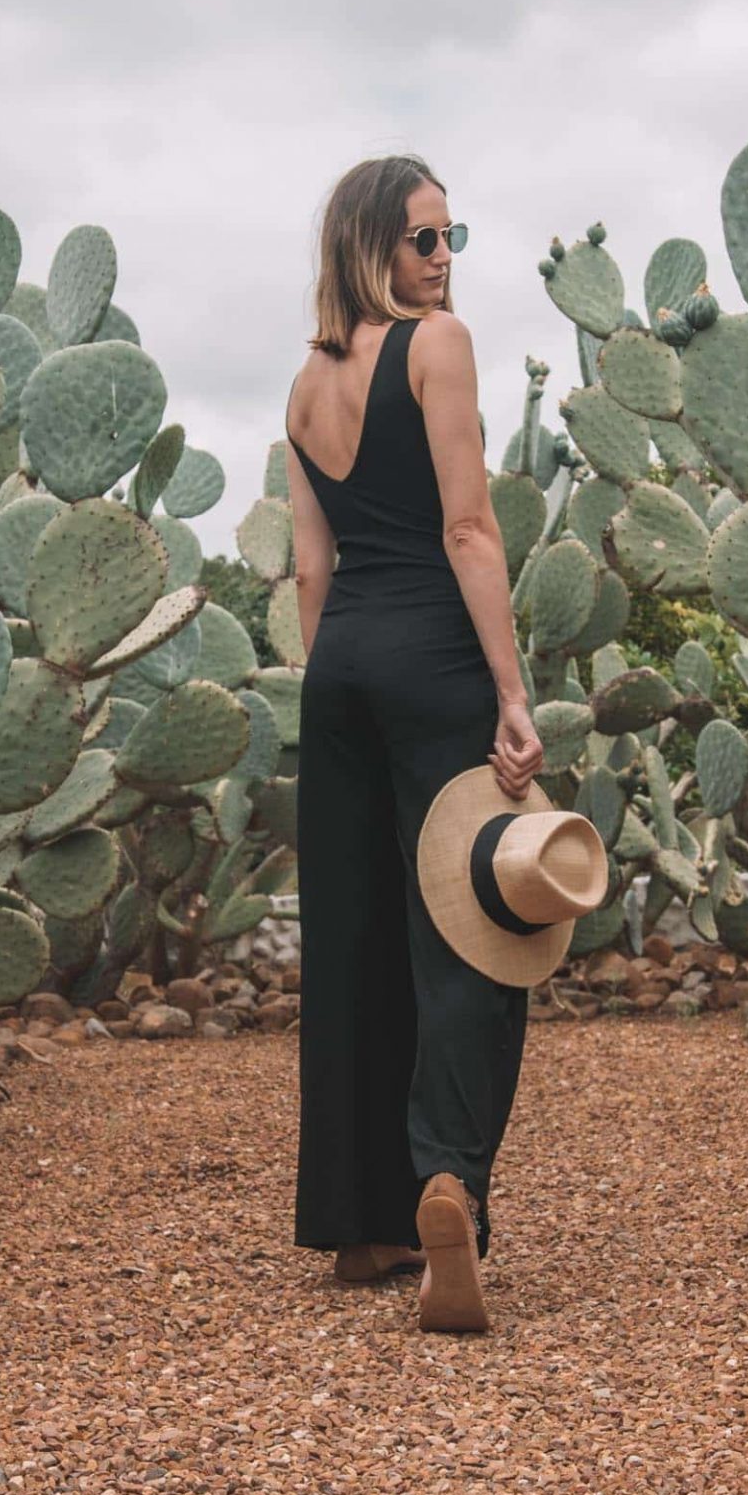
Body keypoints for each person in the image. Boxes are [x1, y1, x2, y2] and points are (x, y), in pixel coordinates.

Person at [285, 152, 544, 1332]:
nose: (444, 263)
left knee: (355, 942)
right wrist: (510, 692)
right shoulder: (439, 346)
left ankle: (363, 1224)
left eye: (453, 240)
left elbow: (310, 568)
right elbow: (471, 527)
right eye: (423, 241)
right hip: (436, 658)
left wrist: (332, 682)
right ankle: (448, 1183)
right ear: (369, 249)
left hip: (337, 670)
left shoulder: (302, 387)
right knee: (481, 931)